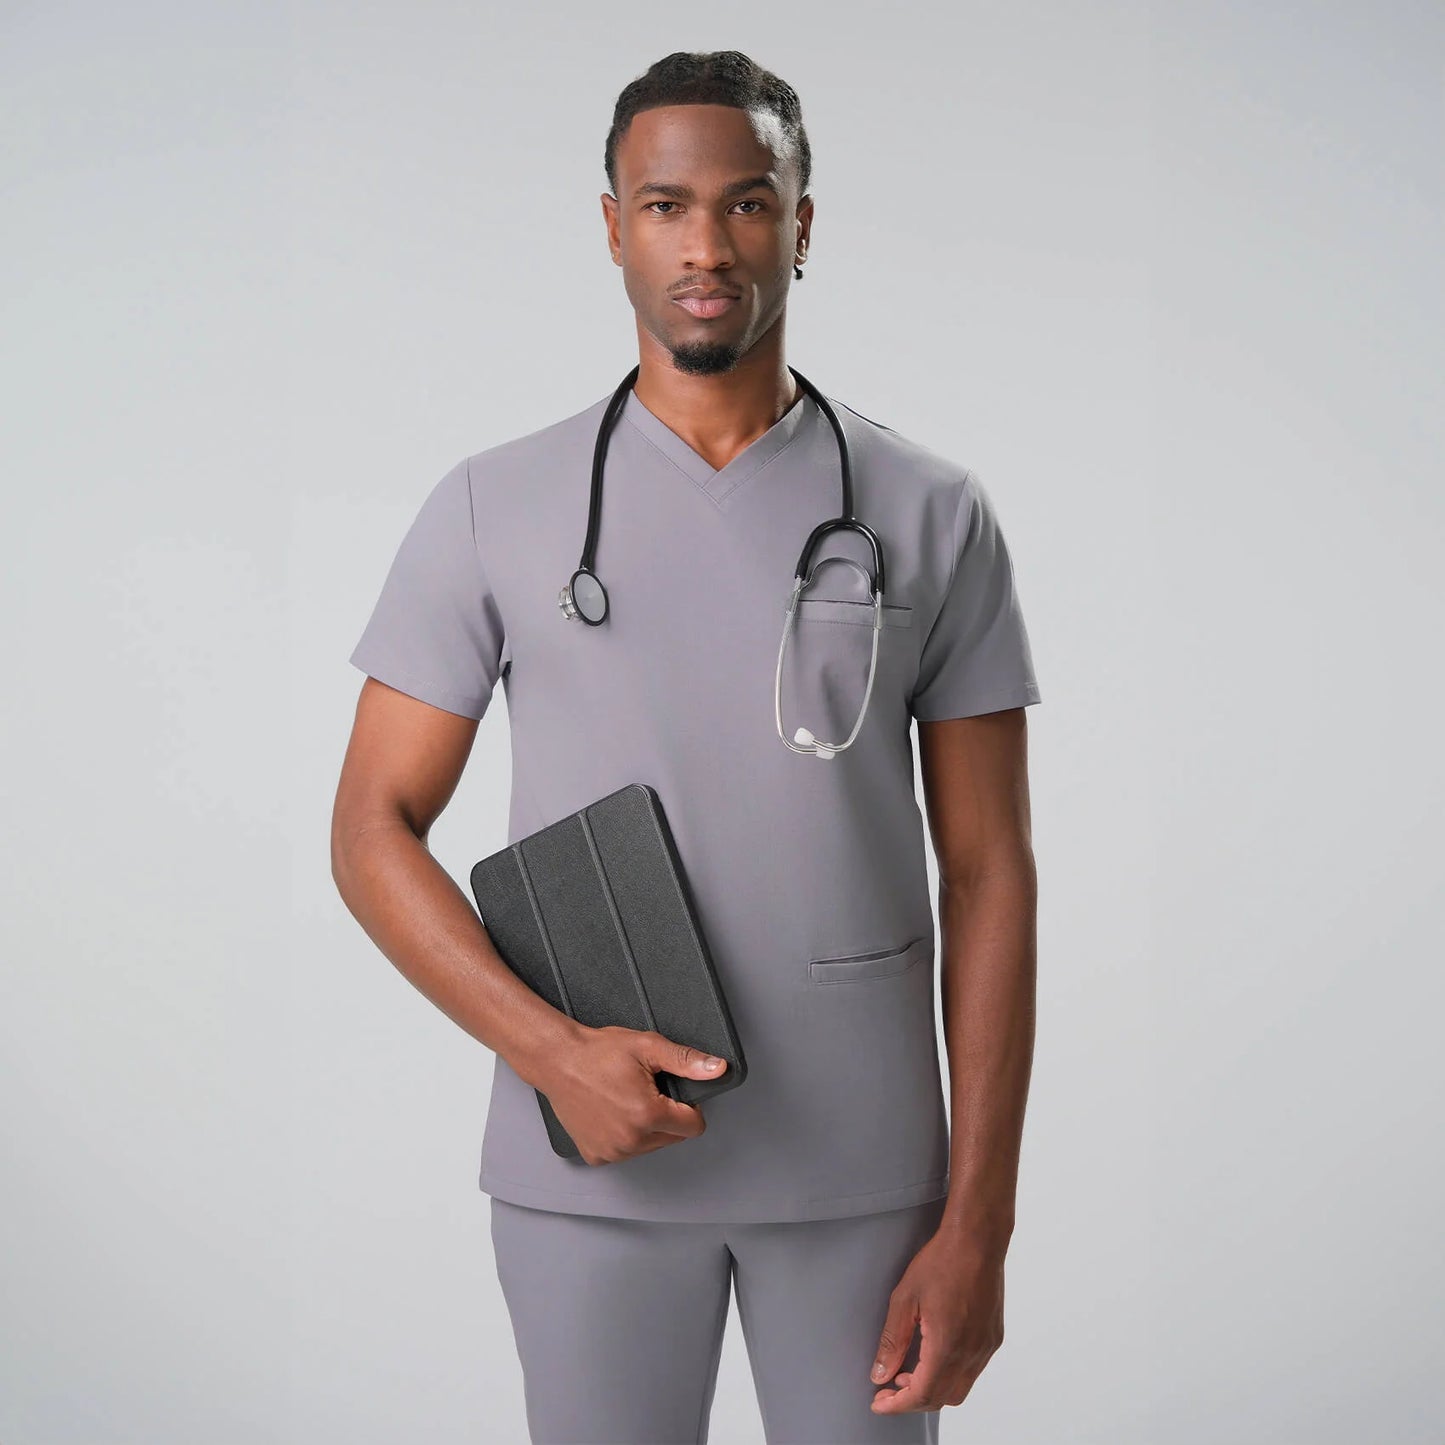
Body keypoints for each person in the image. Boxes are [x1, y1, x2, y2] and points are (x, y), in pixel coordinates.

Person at [332, 48, 1042, 1445]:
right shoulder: (493, 506)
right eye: (663, 205)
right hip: (595, 1162)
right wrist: (548, 1053)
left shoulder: (928, 509)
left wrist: (981, 1224)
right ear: (610, 225)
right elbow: (370, 827)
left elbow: (990, 873)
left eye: (748, 202)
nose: (705, 245)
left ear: (803, 222)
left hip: (861, 1176)